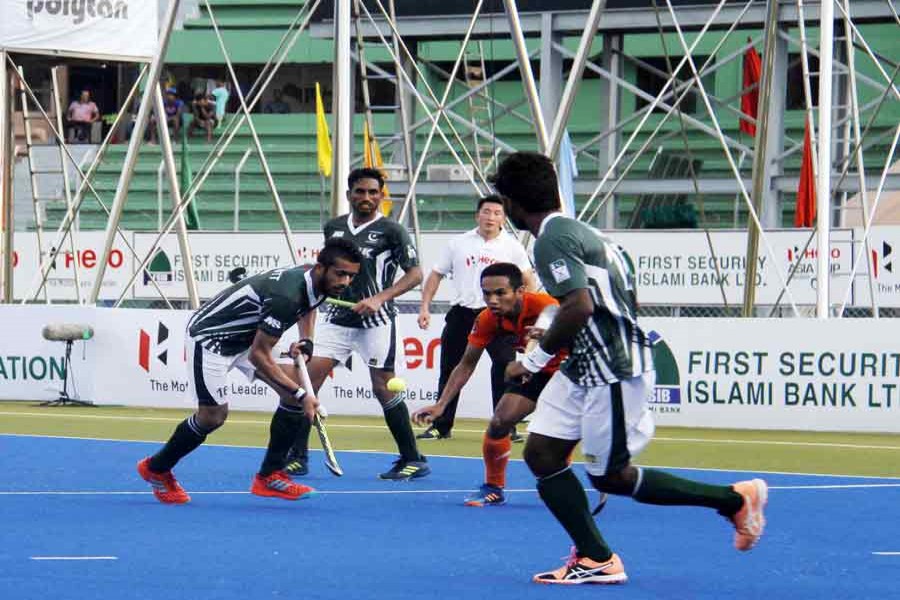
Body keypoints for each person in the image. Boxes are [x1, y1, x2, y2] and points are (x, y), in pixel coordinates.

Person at [494, 152, 767, 585]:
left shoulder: (551, 240)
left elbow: (579, 306)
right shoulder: (583, 232)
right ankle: (595, 556)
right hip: (588, 363)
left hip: (612, 367)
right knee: (541, 453)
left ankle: (733, 500)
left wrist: (532, 360)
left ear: (509, 203)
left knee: (611, 476)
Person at [136, 238, 363, 504]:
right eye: (341, 274)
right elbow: (259, 355)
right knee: (213, 417)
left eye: (351, 276)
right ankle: (156, 468)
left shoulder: (318, 281)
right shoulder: (286, 296)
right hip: (211, 339)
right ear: (321, 267)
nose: (346, 282)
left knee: (290, 392)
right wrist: (303, 395)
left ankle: (269, 476)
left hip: (245, 337)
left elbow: (309, 307)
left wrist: (307, 340)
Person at [284, 167, 429, 480]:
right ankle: (297, 456)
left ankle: (412, 458)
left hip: (376, 320)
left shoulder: (393, 230)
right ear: (349, 194)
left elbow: (416, 274)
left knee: (383, 386)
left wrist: (380, 298)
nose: (367, 197)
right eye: (361, 192)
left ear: (381, 195)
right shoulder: (334, 228)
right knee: (307, 382)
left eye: (373, 192)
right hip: (336, 319)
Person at [412, 262, 563, 506]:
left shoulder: (546, 306)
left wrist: (549, 337)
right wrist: (441, 405)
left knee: (553, 438)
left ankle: (564, 484)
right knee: (500, 422)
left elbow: (571, 330)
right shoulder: (487, 318)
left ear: (520, 291)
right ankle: (493, 487)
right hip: (537, 371)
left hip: (571, 372)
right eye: (486, 293)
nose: (492, 299)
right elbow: (466, 364)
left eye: (500, 293)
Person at [416, 195, 536, 441]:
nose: (490, 217)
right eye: (486, 212)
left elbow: (528, 281)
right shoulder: (458, 243)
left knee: (505, 369)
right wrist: (424, 306)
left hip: (498, 315)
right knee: (450, 368)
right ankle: (441, 425)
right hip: (462, 314)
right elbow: (435, 275)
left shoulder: (512, 246)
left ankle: (505, 426)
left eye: (496, 213)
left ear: (503, 219)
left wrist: (524, 315)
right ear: (477, 215)